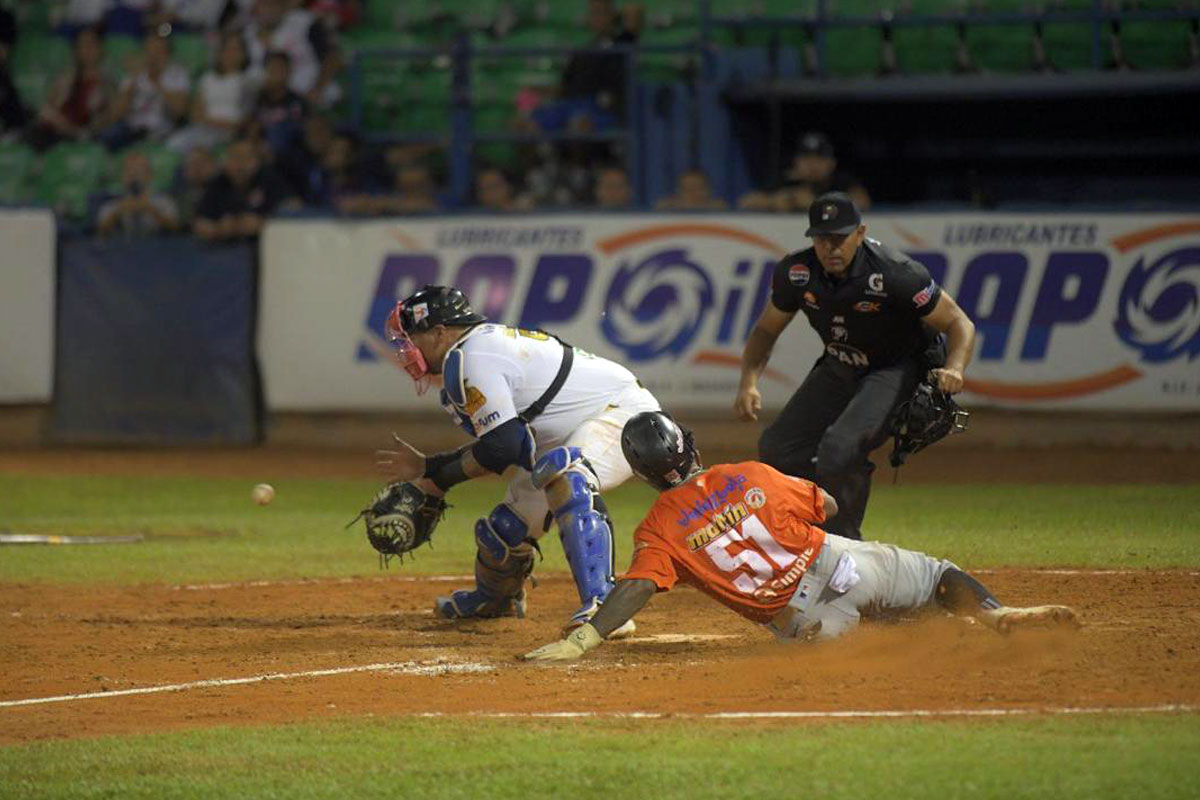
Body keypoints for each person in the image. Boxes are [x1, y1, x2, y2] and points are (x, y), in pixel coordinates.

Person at [522, 411, 1078, 661]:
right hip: (844, 562)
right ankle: (991, 616)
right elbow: (829, 505)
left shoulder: (659, 527)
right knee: (934, 577)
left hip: (808, 621)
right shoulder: (750, 473)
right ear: (688, 448)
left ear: (643, 474)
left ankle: (929, 635)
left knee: (874, 645)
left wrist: (584, 639)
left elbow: (637, 588)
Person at [375, 285, 662, 635]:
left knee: (567, 478)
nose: (407, 350)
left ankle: (604, 605)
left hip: (621, 415)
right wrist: (431, 470)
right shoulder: (470, 353)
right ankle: (495, 600)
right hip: (569, 436)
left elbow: (504, 448)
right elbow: (515, 446)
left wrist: (436, 479)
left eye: (412, 337)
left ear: (439, 332)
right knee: (504, 531)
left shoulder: (472, 358)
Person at [733, 191, 976, 542]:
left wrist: (954, 368)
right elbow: (766, 329)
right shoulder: (798, 272)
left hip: (895, 367)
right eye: (822, 239)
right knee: (778, 448)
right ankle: (806, 530)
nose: (831, 248)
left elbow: (958, 323)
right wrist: (748, 382)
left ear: (860, 233)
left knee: (840, 449)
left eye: (840, 238)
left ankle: (844, 545)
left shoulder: (895, 273)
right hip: (842, 362)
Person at [98, 31, 191, 150]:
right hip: (132, 128)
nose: (153, 56)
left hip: (162, 129)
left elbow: (180, 111)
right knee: (106, 136)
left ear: (167, 53)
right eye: (149, 50)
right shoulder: (135, 74)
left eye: (158, 51)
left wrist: (157, 83)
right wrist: (133, 82)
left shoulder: (177, 74)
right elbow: (116, 114)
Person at [166, 31, 254, 154]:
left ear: (244, 54)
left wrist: (217, 124)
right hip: (203, 128)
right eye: (227, 49)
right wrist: (209, 122)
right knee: (172, 145)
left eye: (235, 50)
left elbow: (245, 119)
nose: (231, 54)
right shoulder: (207, 78)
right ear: (220, 53)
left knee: (201, 147)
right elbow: (195, 113)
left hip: (228, 133)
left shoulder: (247, 81)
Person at [193, 137, 293, 240]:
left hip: (266, 244)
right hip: (225, 249)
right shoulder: (218, 183)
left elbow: (293, 207)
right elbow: (199, 223)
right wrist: (218, 229)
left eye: (245, 158)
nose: (240, 164)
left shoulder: (269, 179)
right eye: (234, 157)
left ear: (256, 161)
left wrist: (264, 223)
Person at [96, 149, 179, 236]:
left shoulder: (163, 201)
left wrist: (150, 209)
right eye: (129, 171)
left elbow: (175, 228)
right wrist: (118, 212)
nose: (134, 175)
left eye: (139, 171)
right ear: (122, 177)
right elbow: (100, 232)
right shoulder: (112, 204)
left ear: (149, 175)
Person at [654, 168, 728, 211]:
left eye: (698, 188)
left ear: (708, 190)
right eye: (687, 189)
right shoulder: (667, 210)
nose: (693, 193)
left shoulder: (720, 210)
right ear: (678, 192)